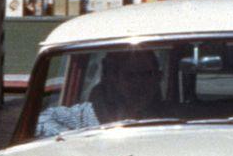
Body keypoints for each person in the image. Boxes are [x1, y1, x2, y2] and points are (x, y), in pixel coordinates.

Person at [35, 48, 163, 135]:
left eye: (147, 74)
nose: (139, 83)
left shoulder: (169, 114)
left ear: (158, 77)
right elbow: (41, 119)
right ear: (114, 79)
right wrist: (72, 140)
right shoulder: (87, 115)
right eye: (130, 76)